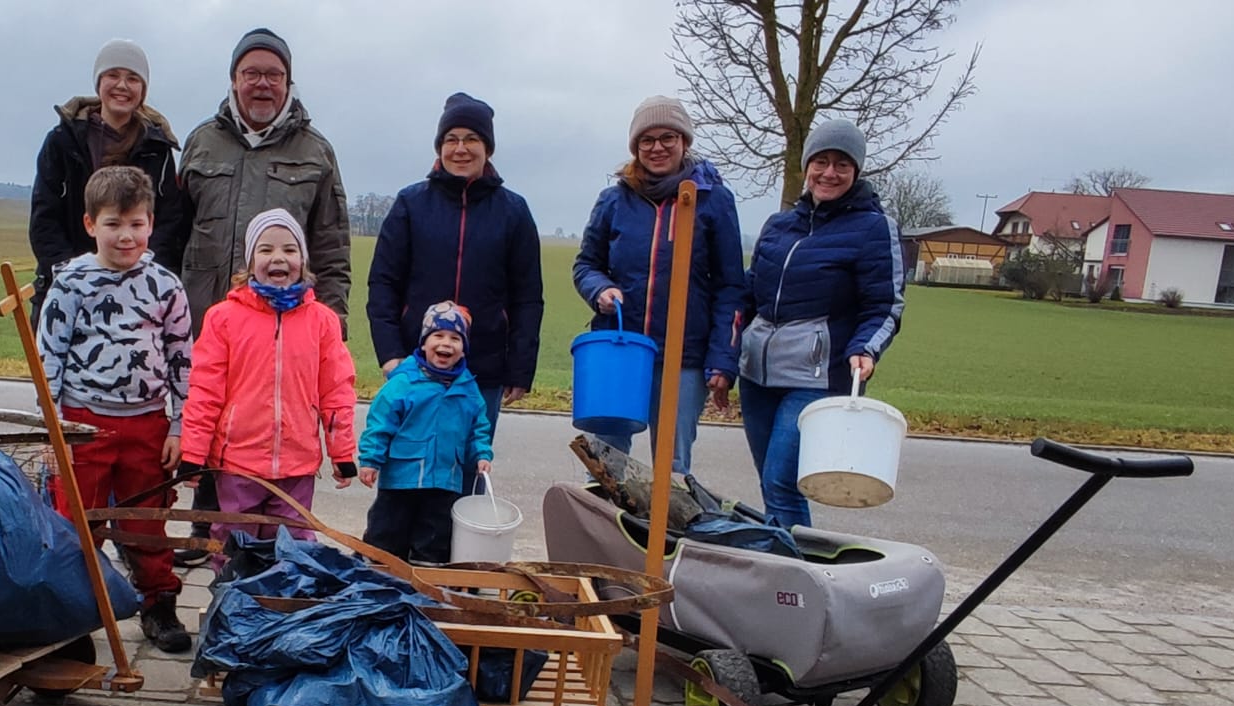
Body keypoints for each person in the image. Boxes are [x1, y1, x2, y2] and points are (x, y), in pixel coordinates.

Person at [176, 27, 353, 564]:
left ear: (288, 83)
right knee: (215, 445)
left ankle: (267, 589)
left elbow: (331, 245)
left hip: (291, 327)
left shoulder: (316, 152)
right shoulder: (202, 142)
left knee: (279, 510)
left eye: (273, 74)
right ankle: (215, 569)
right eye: (251, 73)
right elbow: (170, 235)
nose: (262, 84)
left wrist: (332, 325)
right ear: (233, 79)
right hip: (209, 320)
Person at [37, 166, 194, 652]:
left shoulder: (166, 287)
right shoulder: (71, 284)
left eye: (136, 223)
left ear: (151, 223)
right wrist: (53, 428)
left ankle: (158, 603)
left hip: (147, 424)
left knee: (146, 521)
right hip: (83, 424)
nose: (125, 236)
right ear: (89, 225)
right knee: (76, 522)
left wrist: (179, 425)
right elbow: (49, 358)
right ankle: (73, 614)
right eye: (113, 224)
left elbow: (182, 358)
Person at [737, 118, 905, 528]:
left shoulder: (874, 228)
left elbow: (885, 304)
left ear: (857, 171)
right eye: (821, 161)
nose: (829, 172)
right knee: (770, 481)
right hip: (758, 375)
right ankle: (784, 566)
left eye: (842, 164)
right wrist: (722, 357)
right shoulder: (779, 225)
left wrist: (866, 348)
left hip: (817, 378)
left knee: (782, 480)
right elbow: (749, 294)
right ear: (806, 167)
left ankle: (795, 582)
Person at [571, 95, 746, 475]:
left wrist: (722, 359)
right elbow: (586, 264)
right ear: (635, 147)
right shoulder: (614, 200)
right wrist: (598, 288)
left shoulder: (713, 202)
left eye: (668, 137)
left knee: (672, 468)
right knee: (605, 465)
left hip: (685, 357)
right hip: (620, 350)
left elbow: (731, 287)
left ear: (685, 142)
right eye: (646, 140)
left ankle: (664, 535)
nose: (657, 147)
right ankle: (600, 534)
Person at [177, 208, 357, 564]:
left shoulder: (322, 321)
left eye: (290, 250)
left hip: (297, 466)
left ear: (302, 260)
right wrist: (193, 454)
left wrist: (343, 452)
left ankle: (282, 608)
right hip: (238, 463)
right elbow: (204, 392)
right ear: (250, 260)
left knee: (293, 547)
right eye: (266, 249)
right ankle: (231, 605)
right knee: (233, 542)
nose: (279, 258)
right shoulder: (223, 318)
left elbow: (336, 391)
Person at [365, 92, 543, 446]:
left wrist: (520, 367)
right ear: (439, 147)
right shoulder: (410, 204)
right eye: (451, 139)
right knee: (409, 470)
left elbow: (527, 297)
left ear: (488, 148)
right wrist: (390, 356)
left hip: (484, 371)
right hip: (416, 368)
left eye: (472, 139)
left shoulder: (514, 212)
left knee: (469, 470)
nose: (460, 149)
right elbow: (383, 283)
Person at [28, 39, 187, 316]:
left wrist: (141, 276)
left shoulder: (157, 149)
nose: (122, 86)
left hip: (138, 296)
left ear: (143, 89)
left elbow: (169, 221)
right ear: (98, 82)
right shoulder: (61, 141)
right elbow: (45, 219)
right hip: (68, 292)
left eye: (133, 78)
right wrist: (76, 277)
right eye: (113, 75)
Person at [358, 302, 493, 564]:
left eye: (455, 338)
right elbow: (380, 423)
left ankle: (428, 580)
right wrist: (371, 460)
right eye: (438, 336)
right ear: (423, 343)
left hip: (445, 478)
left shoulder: (468, 388)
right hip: (401, 477)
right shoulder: (403, 382)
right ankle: (375, 574)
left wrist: (482, 454)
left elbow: (479, 427)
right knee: (387, 531)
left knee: (434, 535)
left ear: (464, 347)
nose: (446, 344)